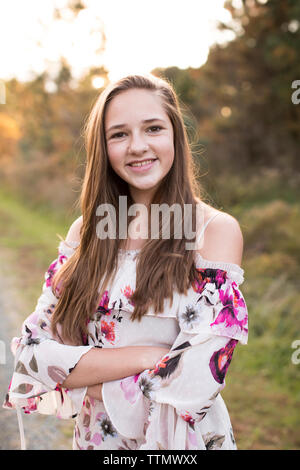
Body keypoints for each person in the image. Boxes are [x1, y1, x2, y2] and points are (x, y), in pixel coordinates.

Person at [3, 73, 248, 450]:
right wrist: (149, 357)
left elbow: (192, 382)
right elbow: (34, 353)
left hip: (182, 443)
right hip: (96, 441)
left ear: (175, 137)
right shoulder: (86, 232)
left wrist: (79, 376)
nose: (137, 146)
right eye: (119, 134)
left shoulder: (214, 232)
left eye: (152, 128)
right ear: (103, 147)